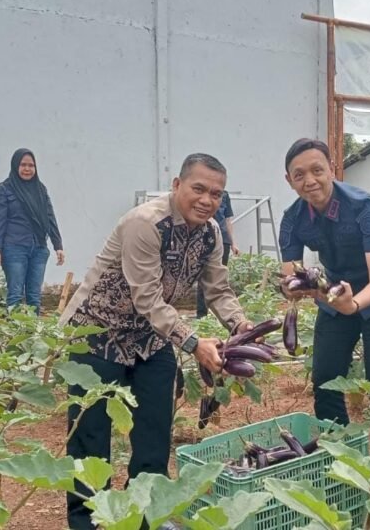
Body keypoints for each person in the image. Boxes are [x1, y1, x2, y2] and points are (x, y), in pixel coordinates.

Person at [59, 153, 256, 530]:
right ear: (177, 185)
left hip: (151, 337)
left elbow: (218, 289)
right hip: (98, 333)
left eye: (216, 193)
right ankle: (86, 521)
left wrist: (242, 326)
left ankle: (147, 515)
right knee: (90, 436)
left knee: (154, 429)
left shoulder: (211, 233)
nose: (207, 199)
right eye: (199, 188)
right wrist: (195, 342)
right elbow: (146, 297)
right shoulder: (145, 224)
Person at [278, 138, 370, 439]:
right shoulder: (292, 219)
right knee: (325, 377)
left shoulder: (364, 207)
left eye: (317, 170)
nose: (310, 181)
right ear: (289, 181)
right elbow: (291, 276)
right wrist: (293, 289)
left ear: (332, 167)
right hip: (336, 294)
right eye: (299, 175)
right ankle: (338, 452)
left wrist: (353, 305)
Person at [0, 148, 65, 314]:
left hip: (38, 248)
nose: (27, 169)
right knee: (15, 295)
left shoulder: (40, 189)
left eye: (31, 165)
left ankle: (32, 336)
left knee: (34, 296)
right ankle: (15, 336)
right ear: (15, 165)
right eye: (23, 165)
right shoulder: (5, 189)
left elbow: (50, 217)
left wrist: (57, 245)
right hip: (14, 248)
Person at [196, 190, 240, 319]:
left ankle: (223, 314)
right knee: (202, 275)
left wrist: (233, 243)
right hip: (204, 238)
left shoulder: (225, 195)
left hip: (223, 240)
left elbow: (228, 220)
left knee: (219, 278)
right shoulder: (201, 196)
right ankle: (201, 313)